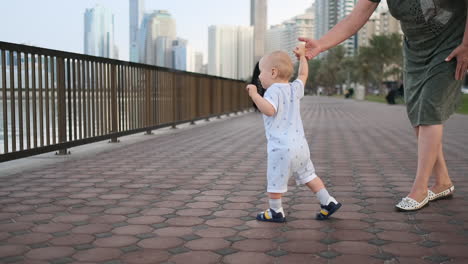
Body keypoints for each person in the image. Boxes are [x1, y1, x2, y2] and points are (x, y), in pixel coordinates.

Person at [299, 0, 467, 211]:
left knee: (429, 111)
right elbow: (355, 18)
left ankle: (420, 188)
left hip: (452, 42)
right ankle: (443, 181)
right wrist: (321, 43)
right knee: (417, 114)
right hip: (416, 48)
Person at [245, 46, 341, 222]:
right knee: (309, 175)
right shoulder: (293, 88)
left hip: (282, 149)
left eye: (261, 72)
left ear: (273, 72)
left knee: (275, 180)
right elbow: (303, 75)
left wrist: (254, 95)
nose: (258, 77)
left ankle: (275, 211)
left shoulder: (273, 90)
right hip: (301, 146)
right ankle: (327, 201)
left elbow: (269, 110)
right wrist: (303, 58)